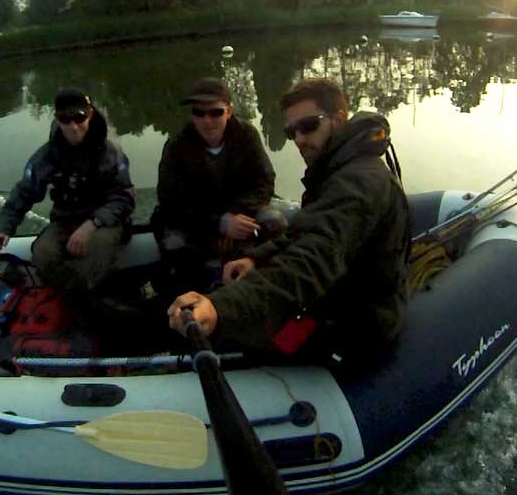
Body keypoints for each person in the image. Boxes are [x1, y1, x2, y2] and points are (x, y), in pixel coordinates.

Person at [167, 78, 410, 365]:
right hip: (333, 300)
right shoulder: (338, 170)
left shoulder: (357, 182)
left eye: (308, 126)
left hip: (353, 322)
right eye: (292, 131)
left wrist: (219, 307)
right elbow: (307, 230)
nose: (299, 140)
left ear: (339, 118)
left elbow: (311, 259)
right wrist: (258, 258)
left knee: (238, 339)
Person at [0, 89, 134, 304]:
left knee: (96, 250)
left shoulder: (111, 154)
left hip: (106, 223)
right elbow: (24, 193)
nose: (73, 126)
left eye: (79, 117)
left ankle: (91, 301)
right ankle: (80, 301)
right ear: (57, 119)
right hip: (66, 220)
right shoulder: (45, 156)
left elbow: (124, 198)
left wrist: (92, 224)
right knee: (43, 253)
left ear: (90, 115)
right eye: (66, 119)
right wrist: (2, 229)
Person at [153, 77, 284, 293]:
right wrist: (219, 223)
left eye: (216, 112)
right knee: (173, 244)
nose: (207, 120)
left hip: (242, 212)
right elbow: (170, 200)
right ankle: (195, 292)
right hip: (196, 220)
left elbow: (264, 181)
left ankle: (263, 283)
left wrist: (234, 216)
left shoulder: (247, 135)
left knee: (275, 222)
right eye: (199, 113)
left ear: (229, 111)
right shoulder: (176, 144)